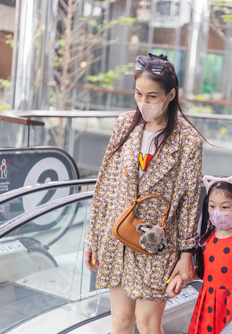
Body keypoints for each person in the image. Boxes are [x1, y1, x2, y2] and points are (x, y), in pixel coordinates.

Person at [84, 53, 204, 334]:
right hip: (117, 237)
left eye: (152, 96)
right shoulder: (125, 123)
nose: (144, 102)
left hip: (156, 243)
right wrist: (92, 237)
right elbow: (105, 185)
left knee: (149, 324)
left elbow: (190, 202)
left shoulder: (188, 140)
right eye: (139, 94)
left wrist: (187, 253)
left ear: (171, 94)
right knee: (121, 320)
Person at [167, 174, 232, 334]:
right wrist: (181, 277)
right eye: (212, 206)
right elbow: (207, 273)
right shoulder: (207, 237)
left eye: (225, 207)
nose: (217, 212)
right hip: (207, 307)